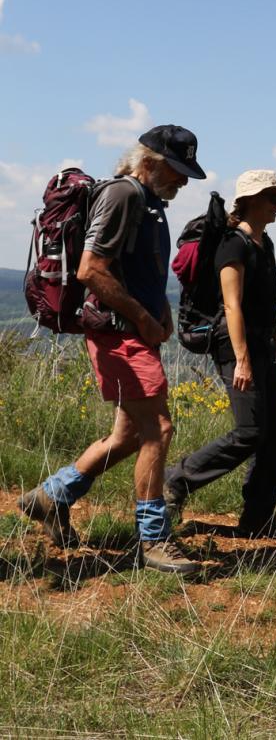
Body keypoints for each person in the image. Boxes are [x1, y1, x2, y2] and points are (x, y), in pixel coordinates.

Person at [18, 125, 207, 574]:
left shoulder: (150, 203)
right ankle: (154, 540)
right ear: (150, 163)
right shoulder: (125, 195)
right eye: (177, 171)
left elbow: (141, 270)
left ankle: (50, 497)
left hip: (132, 330)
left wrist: (160, 308)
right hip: (118, 332)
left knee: (128, 436)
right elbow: (91, 270)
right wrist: (142, 318)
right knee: (158, 429)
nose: (182, 181)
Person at [163, 169, 276, 536]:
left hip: (262, 344)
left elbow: (266, 310)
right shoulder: (232, 244)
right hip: (234, 344)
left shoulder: (264, 244)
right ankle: (176, 479)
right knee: (250, 431)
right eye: (274, 198)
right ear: (251, 200)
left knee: (275, 437)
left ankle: (258, 519)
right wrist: (242, 358)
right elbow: (233, 305)